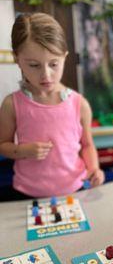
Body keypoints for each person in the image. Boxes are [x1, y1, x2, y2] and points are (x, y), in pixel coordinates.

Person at [0, 12, 104, 201]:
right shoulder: (11, 104)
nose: (46, 75)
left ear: (64, 57)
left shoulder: (79, 104)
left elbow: (87, 144)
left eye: (54, 64)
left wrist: (94, 168)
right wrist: (22, 151)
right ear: (17, 59)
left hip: (75, 190)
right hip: (27, 194)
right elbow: (2, 145)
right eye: (34, 65)